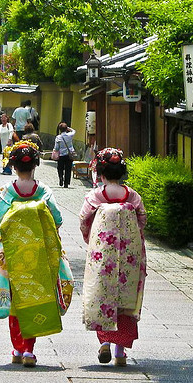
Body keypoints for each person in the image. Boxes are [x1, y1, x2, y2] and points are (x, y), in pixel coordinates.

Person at [0, 141, 73, 368]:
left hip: (11, 254)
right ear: (35, 165)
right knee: (32, 297)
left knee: (16, 301)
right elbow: (57, 218)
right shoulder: (43, 191)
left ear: (13, 166)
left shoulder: (6, 192)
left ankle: (17, 348)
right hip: (37, 254)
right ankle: (29, 350)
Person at [79, 148, 147, 368]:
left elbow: (84, 219)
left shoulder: (96, 196)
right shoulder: (132, 196)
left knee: (103, 294)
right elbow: (142, 220)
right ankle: (120, 352)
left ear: (100, 172)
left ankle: (105, 342)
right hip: (129, 254)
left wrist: (91, 238)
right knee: (125, 297)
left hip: (103, 253)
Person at [52, 123, 76, 188]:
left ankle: (60, 178)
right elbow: (74, 131)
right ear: (66, 129)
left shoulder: (58, 137)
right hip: (69, 154)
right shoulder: (70, 135)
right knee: (68, 169)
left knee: (60, 168)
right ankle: (66, 183)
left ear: (59, 129)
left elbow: (56, 148)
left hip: (61, 155)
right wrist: (69, 128)